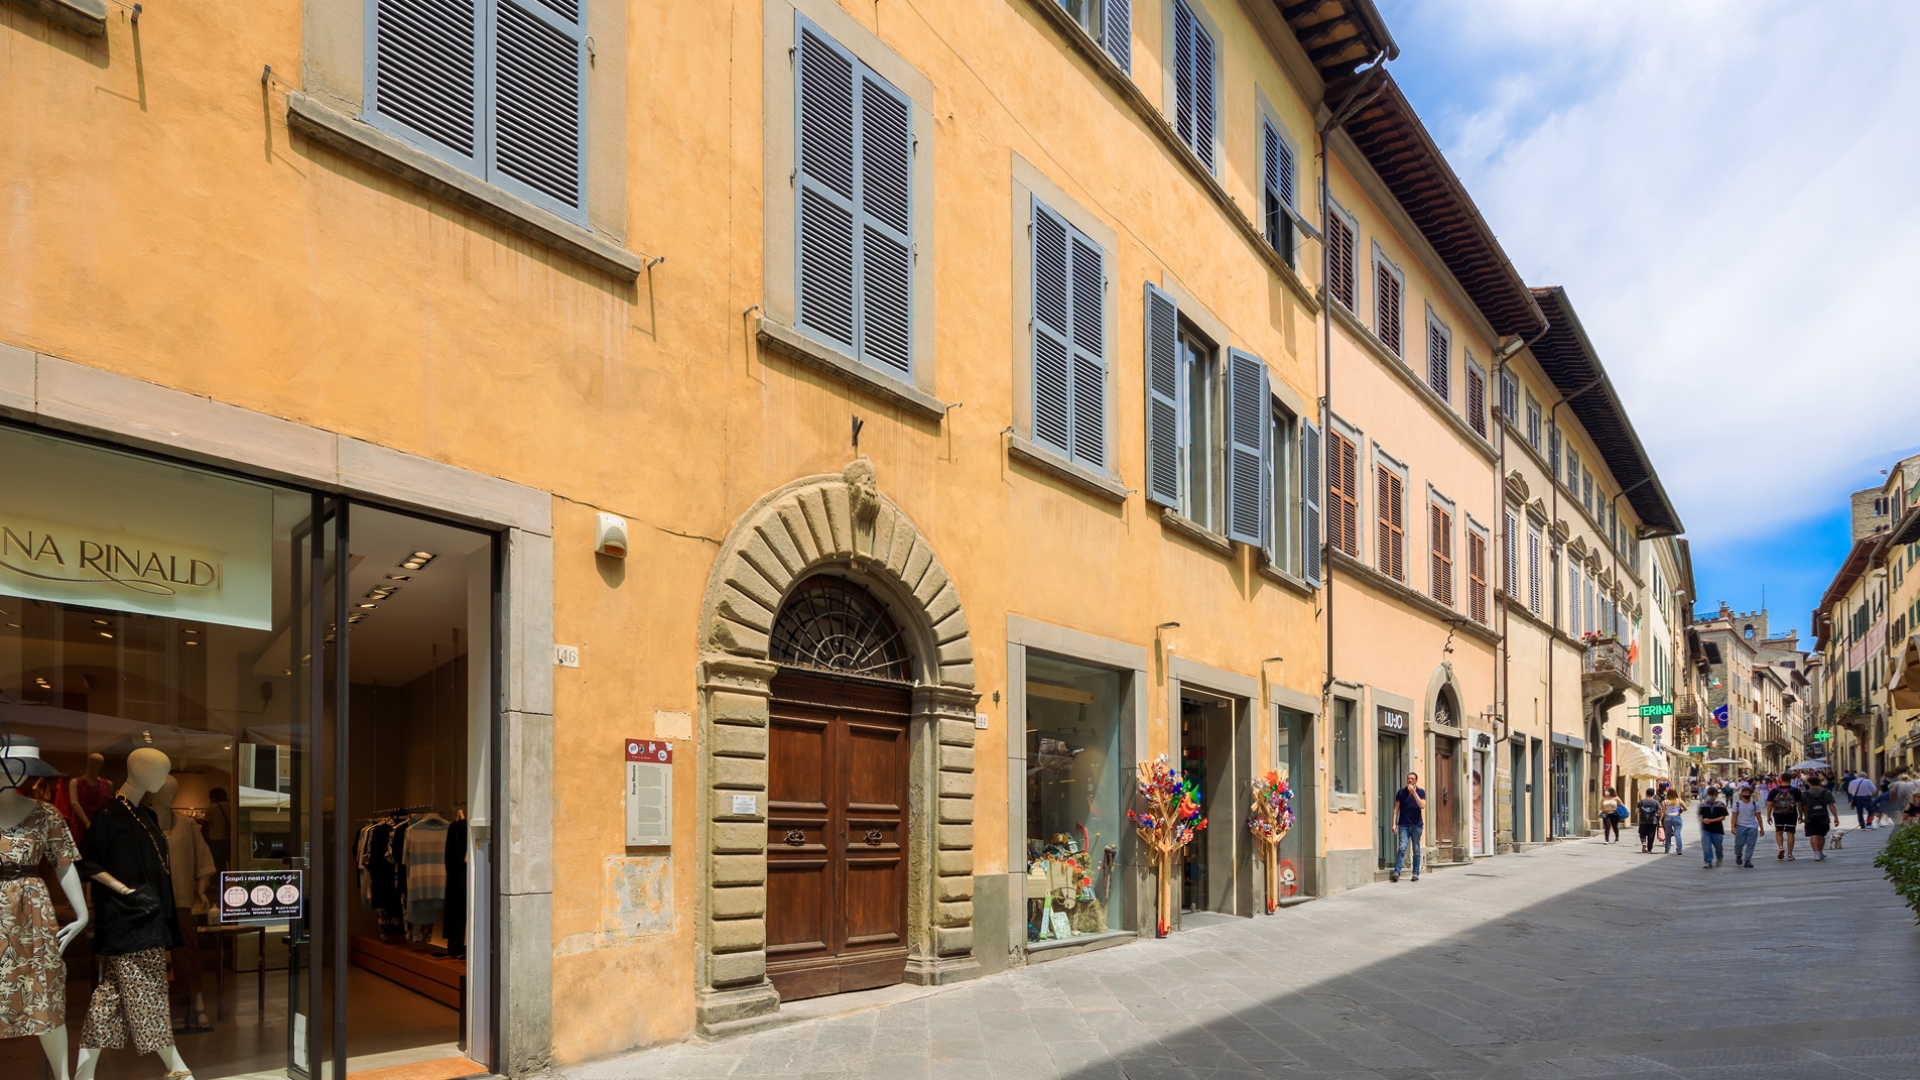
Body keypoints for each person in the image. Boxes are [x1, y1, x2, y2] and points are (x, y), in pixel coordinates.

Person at [1391, 772, 1426, 883]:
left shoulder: (1421, 792)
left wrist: (1414, 793)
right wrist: (1394, 823)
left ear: (1416, 780)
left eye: (1412, 779)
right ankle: (1397, 872)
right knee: (1402, 848)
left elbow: (1422, 806)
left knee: (1416, 850)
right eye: (1408, 778)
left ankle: (1415, 873)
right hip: (1404, 825)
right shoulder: (1401, 792)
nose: (1410, 780)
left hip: (1417, 825)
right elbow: (1396, 809)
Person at [1731, 783, 1765, 867]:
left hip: (1752, 827)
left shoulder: (1755, 804)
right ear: (1742, 793)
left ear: (1751, 794)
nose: (1746, 794)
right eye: (1745, 792)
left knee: (1751, 844)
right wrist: (1732, 827)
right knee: (1739, 844)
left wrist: (1761, 828)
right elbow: (1734, 816)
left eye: (1748, 792)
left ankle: (1747, 860)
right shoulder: (1737, 805)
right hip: (1740, 826)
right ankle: (1738, 855)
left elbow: (1759, 816)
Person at [1802, 779, 1835, 861]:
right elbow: (1831, 805)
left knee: (1813, 834)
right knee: (1821, 834)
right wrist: (1836, 817)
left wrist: (1802, 815)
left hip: (1810, 817)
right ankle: (1820, 851)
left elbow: (1802, 806)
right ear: (1819, 783)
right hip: (1823, 817)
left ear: (1809, 783)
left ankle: (1816, 853)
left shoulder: (1805, 794)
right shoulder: (1826, 792)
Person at [1770, 779, 1801, 860]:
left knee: (1778, 832)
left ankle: (1780, 847)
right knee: (1790, 833)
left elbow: (1769, 804)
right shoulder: (1795, 791)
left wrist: (1768, 816)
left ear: (1780, 780)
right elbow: (1800, 804)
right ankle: (1790, 854)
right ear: (1790, 780)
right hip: (1791, 813)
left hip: (1778, 814)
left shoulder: (1774, 791)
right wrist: (1801, 815)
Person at [1697, 787, 1727, 868]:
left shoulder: (1721, 805)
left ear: (1715, 795)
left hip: (1717, 829)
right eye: (1708, 795)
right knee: (1706, 846)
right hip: (1705, 829)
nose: (1710, 796)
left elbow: (1723, 817)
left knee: (1718, 847)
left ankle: (1719, 857)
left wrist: (1711, 820)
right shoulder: (1703, 805)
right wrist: (1703, 820)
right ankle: (1708, 861)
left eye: (1711, 795)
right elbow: (1698, 816)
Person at [1635, 788, 1662, 853]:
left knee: (1642, 833)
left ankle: (1643, 842)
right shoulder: (1656, 802)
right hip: (1653, 821)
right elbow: (1659, 812)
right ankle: (1649, 849)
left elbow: (1637, 811)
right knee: (1651, 835)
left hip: (1643, 820)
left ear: (1646, 793)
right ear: (1653, 794)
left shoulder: (1641, 801)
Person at [1661, 787, 1686, 854]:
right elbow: (1685, 808)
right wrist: (1679, 810)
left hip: (1667, 818)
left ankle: (1667, 849)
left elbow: (1663, 811)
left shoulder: (1665, 802)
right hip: (1677, 817)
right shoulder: (1679, 800)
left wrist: (1660, 820)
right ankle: (1679, 850)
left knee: (1668, 834)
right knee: (1677, 834)